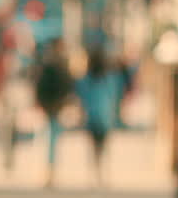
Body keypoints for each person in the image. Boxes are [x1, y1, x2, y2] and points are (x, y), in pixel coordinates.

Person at [73, 49, 123, 186]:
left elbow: (81, 97)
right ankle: (102, 174)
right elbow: (115, 97)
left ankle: (95, 173)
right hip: (105, 117)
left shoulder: (86, 79)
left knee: (94, 147)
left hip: (91, 118)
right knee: (103, 146)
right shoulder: (109, 78)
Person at [34, 40, 73, 188]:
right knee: (51, 142)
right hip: (53, 108)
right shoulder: (56, 66)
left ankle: (49, 173)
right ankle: (49, 173)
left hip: (52, 108)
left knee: (50, 141)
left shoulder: (50, 65)